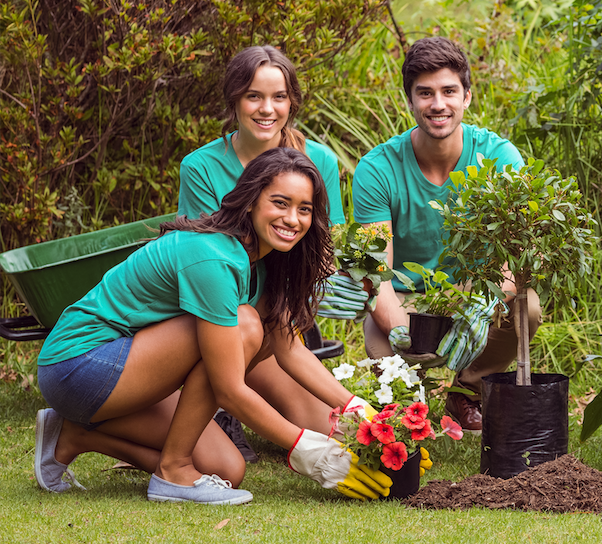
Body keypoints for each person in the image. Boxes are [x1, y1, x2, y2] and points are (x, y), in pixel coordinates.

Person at [35, 149, 389, 504]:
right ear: (251, 200)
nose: (292, 219)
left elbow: (290, 348)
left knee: (225, 469)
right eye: (280, 203)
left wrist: (360, 409)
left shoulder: (266, 258)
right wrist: (308, 449)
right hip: (79, 365)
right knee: (246, 325)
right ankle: (172, 472)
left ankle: (75, 435)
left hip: (130, 365)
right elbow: (230, 389)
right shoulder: (214, 256)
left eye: (304, 209)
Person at [352, 36, 537, 433]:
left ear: (467, 96)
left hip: (474, 292)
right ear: (410, 100)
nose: (438, 104)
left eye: (449, 91)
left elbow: (510, 260)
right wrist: (401, 329)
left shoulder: (499, 157)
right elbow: (373, 271)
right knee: (379, 334)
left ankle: (466, 394)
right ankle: (409, 400)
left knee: (527, 309)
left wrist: (481, 309)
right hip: (408, 296)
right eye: (425, 93)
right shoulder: (377, 168)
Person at [178, 45, 346, 460]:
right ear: (234, 99)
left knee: (333, 431)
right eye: (254, 96)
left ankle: (240, 395)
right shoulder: (201, 167)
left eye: (279, 97)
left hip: (280, 318)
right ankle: (218, 402)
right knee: (247, 324)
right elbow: (209, 258)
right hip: (227, 315)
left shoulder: (318, 159)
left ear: (292, 102)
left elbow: (324, 245)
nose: (266, 109)